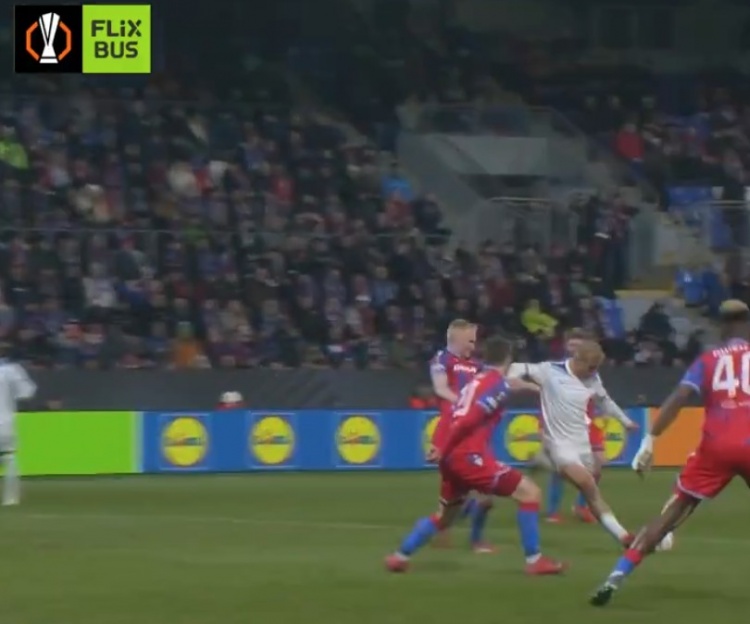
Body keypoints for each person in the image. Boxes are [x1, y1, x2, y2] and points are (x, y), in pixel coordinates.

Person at [589, 299, 750, 607]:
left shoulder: (707, 360)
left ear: (721, 326)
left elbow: (679, 397)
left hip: (716, 446)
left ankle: (616, 576)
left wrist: (650, 440)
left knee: (671, 515)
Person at [384, 335, 566, 575]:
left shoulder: (479, 380)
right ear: (509, 359)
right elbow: (469, 419)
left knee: (445, 518)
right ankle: (535, 561)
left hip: (453, 459)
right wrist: (445, 447)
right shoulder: (495, 385)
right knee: (530, 493)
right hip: (468, 456)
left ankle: (399, 557)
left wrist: (539, 388)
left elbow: (508, 386)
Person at [507, 341, 636, 546]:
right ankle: (623, 536)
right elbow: (517, 367)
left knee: (591, 487)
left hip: (582, 444)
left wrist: (626, 422)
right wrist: (512, 379)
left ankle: (543, 462)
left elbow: (605, 401)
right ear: (578, 360)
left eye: (596, 368)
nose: (593, 372)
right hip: (560, 445)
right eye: (591, 367)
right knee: (588, 485)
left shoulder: (592, 378)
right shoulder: (550, 370)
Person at [542, 329, 630, 524]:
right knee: (560, 469)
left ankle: (581, 505)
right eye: (571, 345)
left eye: (578, 345)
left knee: (597, 465)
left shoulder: (591, 371)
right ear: (566, 346)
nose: (574, 348)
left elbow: (600, 397)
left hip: (588, 423)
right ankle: (553, 510)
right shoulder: (556, 370)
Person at [428, 319, 492, 552]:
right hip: (450, 433)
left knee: (481, 494)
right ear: (455, 339)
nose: (473, 346)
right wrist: (465, 403)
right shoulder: (441, 360)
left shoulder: (477, 366)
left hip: (472, 434)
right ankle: (460, 534)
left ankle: (470, 536)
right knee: (460, 493)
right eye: (470, 341)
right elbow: (440, 388)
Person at [0, 355, 37, 506]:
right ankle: (10, 498)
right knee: (9, 457)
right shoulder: (11, 370)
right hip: (4, 422)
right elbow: (27, 392)